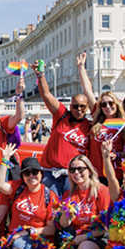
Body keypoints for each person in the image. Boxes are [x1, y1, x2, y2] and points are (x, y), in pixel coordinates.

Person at [0, 148, 57, 249]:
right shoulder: (18, 188)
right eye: (27, 173)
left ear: (41, 174)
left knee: (19, 245)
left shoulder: (49, 195)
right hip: (13, 240)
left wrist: (28, 231)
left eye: (35, 172)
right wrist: (5, 160)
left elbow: (51, 229)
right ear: (22, 176)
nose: (31, 176)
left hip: (37, 242)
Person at [52, 155, 110, 249]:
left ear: (89, 170)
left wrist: (86, 237)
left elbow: (107, 225)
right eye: (72, 170)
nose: (76, 173)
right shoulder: (69, 194)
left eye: (80, 169)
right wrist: (64, 212)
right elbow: (64, 224)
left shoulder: (101, 191)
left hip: (99, 237)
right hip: (76, 238)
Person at [36, 60, 92, 196]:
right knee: (51, 206)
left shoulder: (90, 126)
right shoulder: (61, 115)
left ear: (87, 108)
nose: (79, 109)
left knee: (70, 208)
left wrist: (81, 67)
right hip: (50, 172)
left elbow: (90, 92)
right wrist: (40, 75)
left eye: (82, 106)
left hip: (74, 174)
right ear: (70, 106)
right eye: (75, 106)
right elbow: (46, 94)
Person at [86, 91, 125, 185]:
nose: (107, 106)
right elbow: (88, 91)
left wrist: (118, 155)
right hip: (94, 172)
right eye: (104, 104)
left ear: (116, 103)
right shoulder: (96, 124)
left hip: (113, 173)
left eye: (111, 103)